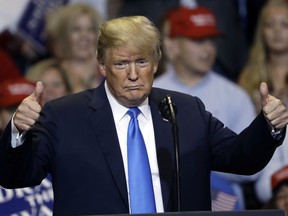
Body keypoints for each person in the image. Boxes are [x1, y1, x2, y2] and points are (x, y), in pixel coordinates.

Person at [0, 15, 287, 215]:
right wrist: (17, 131)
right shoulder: (63, 117)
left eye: (142, 61)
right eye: (122, 63)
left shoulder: (186, 110)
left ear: (156, 62)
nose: (134, 74)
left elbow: (242, 158)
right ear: (102, 66)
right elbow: (17, 176)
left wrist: (268, 125)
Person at [153, 6, 257, 210]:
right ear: (173, 46)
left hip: (228, 207)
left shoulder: (235, 95)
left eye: (212, 40)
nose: (208, 49)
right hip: (166, 204)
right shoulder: (152, 93)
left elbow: (252, 162)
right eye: (198, 41)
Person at [238, 0, 288, 204]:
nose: (277, 31)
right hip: (262, 166)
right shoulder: (247, 77)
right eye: (270, 25)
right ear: (261, 31)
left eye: (285, 25)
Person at [45, 3, 103, 93]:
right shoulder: (51, 74)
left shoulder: (108, 72)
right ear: (64, 35)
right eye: (76, 29)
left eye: (90, 29)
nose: (84, 35)